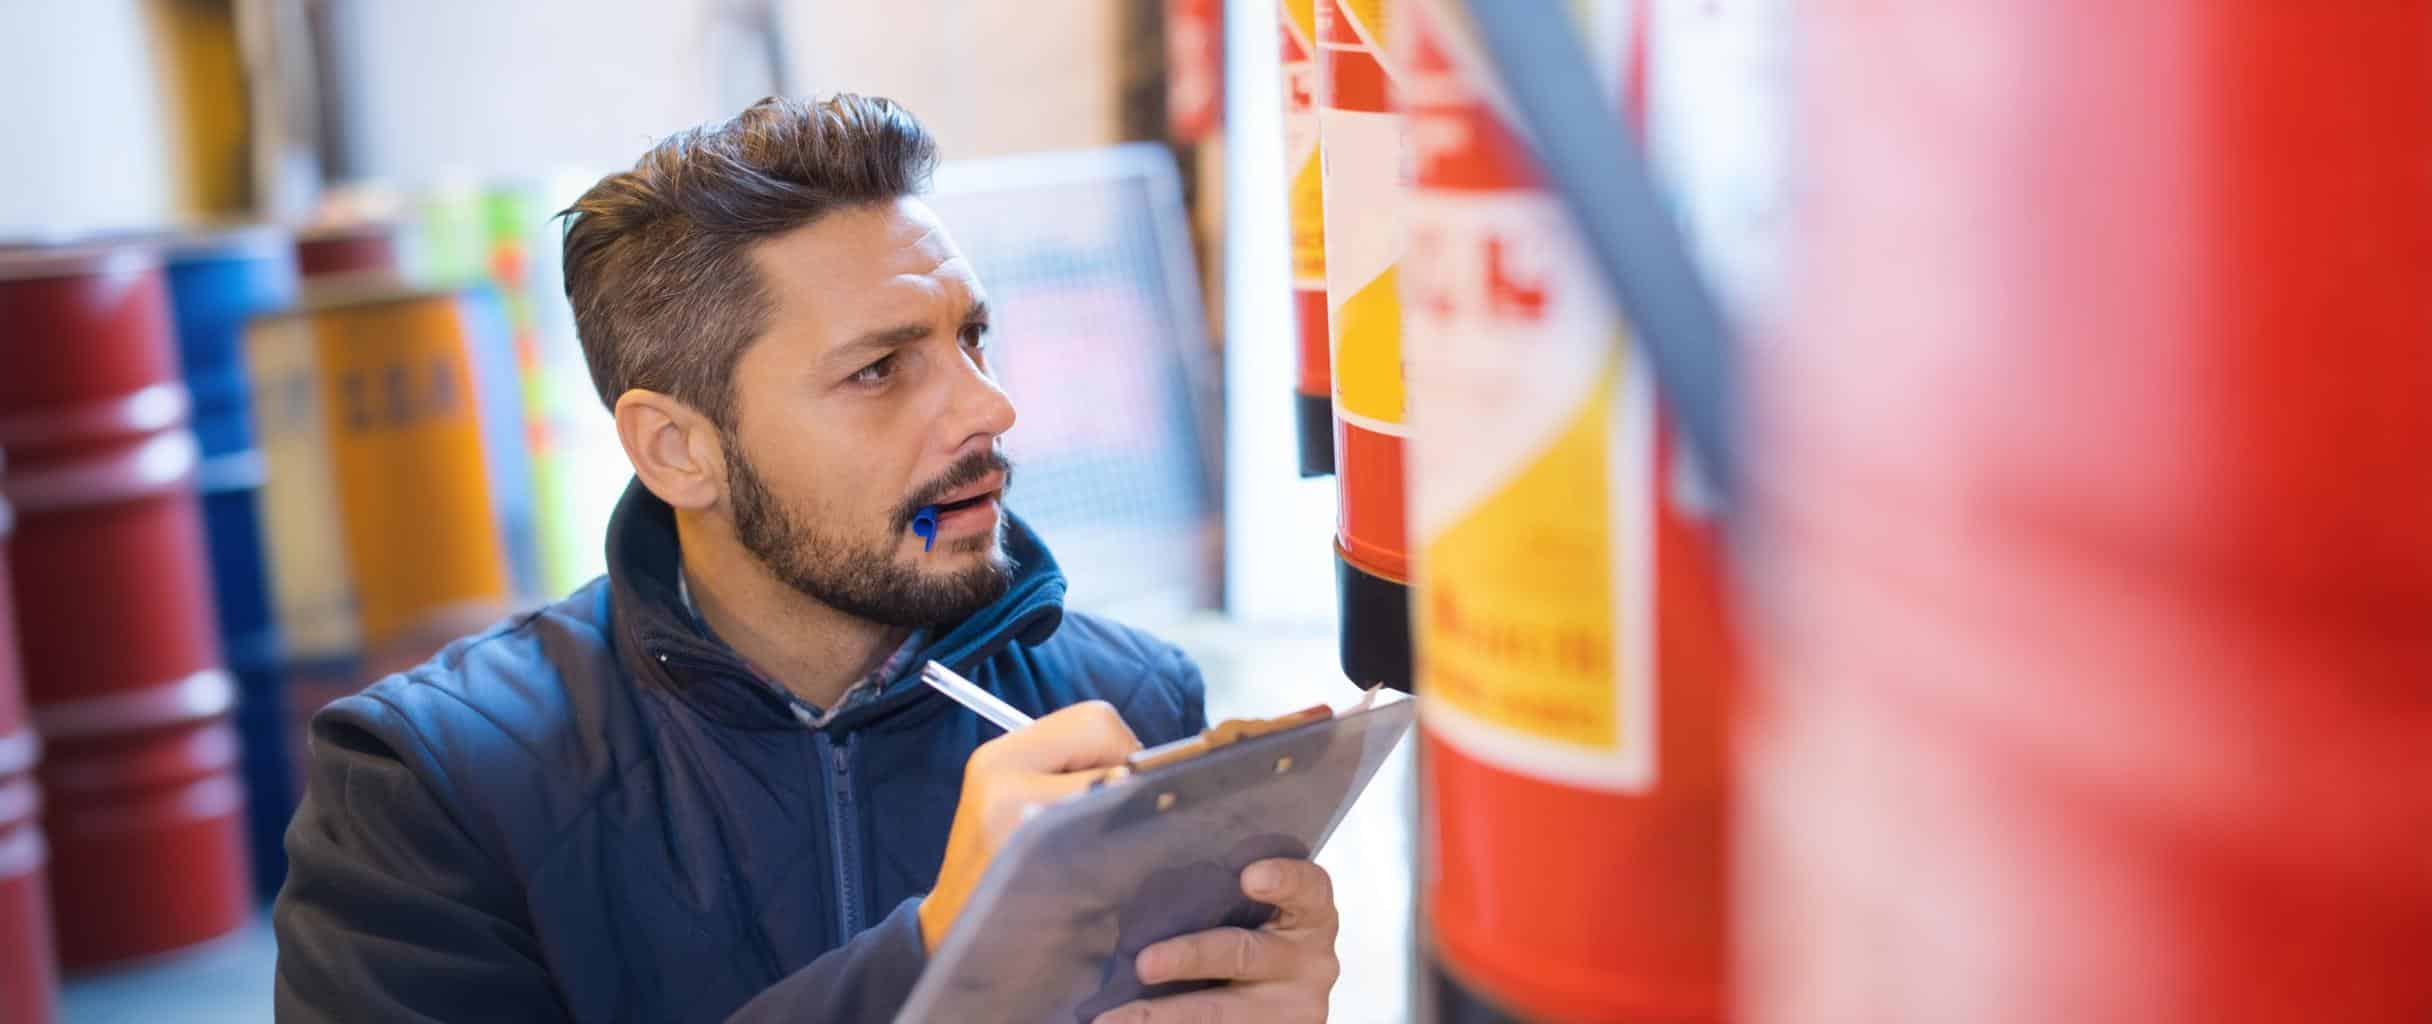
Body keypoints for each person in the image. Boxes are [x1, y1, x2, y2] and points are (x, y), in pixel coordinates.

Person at [271, 95, 1342, 1023]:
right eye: (879, 369)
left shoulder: (1130, 703)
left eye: (970, 337)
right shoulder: (434, 784)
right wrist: (928, 968)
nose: (989, 406)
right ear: (678, 449)